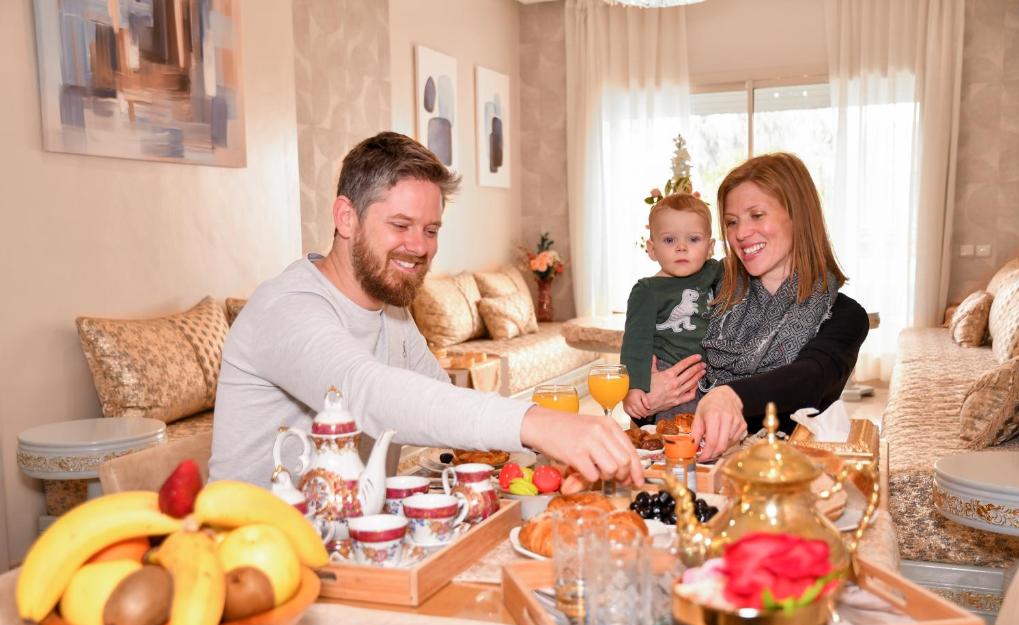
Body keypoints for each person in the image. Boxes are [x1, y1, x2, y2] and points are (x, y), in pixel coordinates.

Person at [210, 132, 643, 489]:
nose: (419, 247)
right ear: (346, 217)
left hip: (353, 541)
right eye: (400, 226)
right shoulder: (285, 308)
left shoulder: (393, 312)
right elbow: (368, 394)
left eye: (430, 230)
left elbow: (444, 402)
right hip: (254, 560)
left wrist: (540, 458)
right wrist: (539, 424)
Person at [687, 152, 869, 460]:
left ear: (798, 215)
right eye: (732, 222)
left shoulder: (845, 316)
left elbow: (809, 379)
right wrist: (651, 390)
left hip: (787, 482)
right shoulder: (709, 295)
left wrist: (729, 396)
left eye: (756, 215)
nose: (741, 234)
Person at [620, 193, 721, 424]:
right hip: (670, 372)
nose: (681, 248)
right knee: (676, 435)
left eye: (694, 239)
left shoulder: (713, 272)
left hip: (710, 376)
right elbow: (636, 343)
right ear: (652, 249)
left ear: (710, 247)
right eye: (669, 240)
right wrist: (634, 387)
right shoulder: (648, 290)